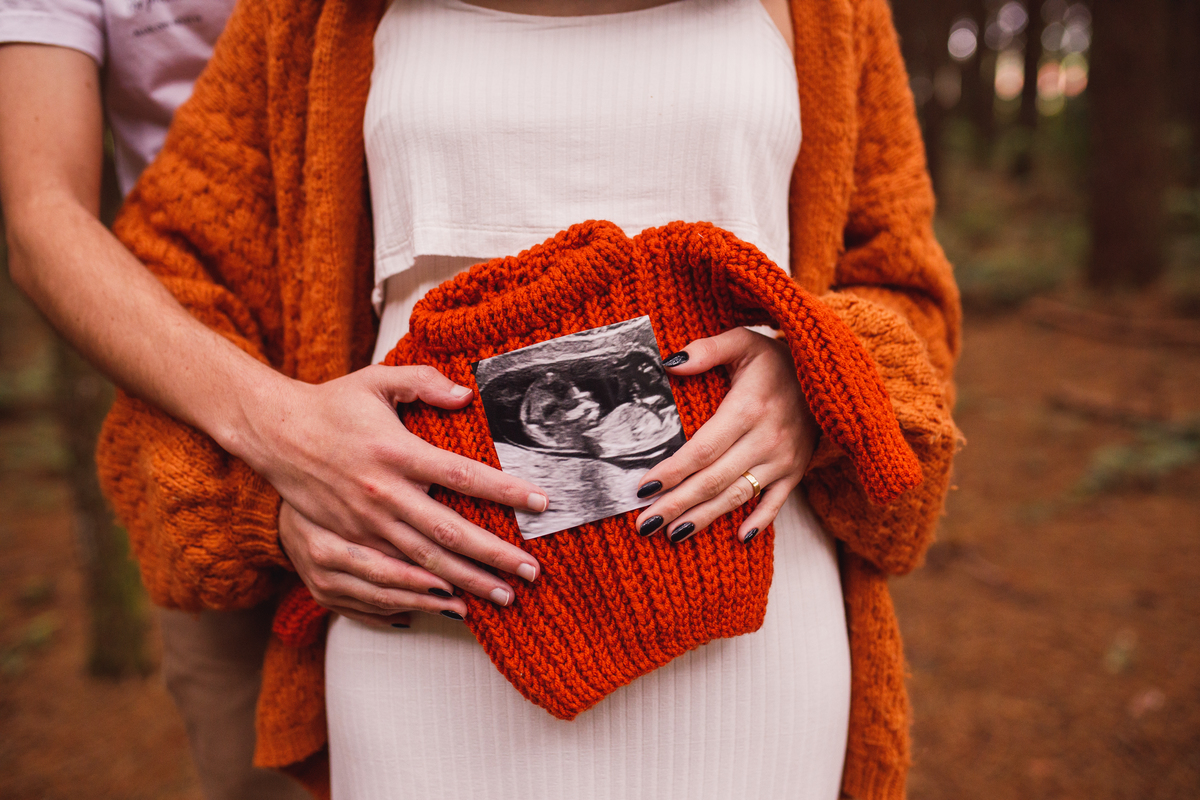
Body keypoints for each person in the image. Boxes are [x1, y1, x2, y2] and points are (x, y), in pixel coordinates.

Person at [94, 0, 962, 797]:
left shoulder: (831, 12)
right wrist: (273, 487)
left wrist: (818, 370)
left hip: (750, 616)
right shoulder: (313, 16)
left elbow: (904, 286)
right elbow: (166, 281)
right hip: (427, 616)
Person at [0, 0, 548, 795]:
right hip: (205, 421)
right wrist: (278, 441)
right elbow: (41, 216)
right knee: (252, 763)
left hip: (452, 392)